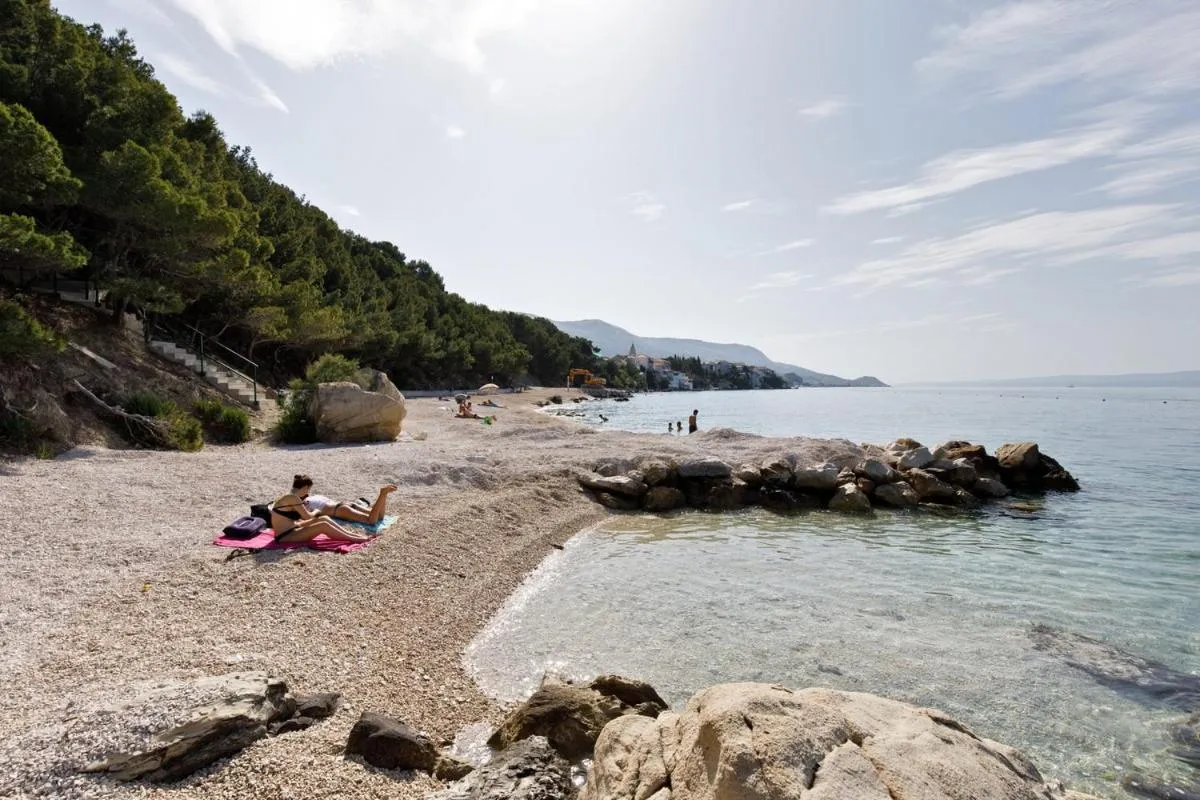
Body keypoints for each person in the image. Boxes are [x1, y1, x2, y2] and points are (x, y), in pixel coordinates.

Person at [270, 475, 372, 544]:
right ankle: (354, 539)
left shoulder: (288, 496)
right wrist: (317, 511)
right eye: (308, 490)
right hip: (285, 536)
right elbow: (307, 517)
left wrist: (318, 514)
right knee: (323, 526)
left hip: (293, 528)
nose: (306, 494)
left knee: (324, 518)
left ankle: (352, 535)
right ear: (305, 487)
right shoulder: (293, 498)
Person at [301, 479, 398, 526]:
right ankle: (384, 495)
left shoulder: (305, 503)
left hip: (339, 510)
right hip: (347, 504)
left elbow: (307, 517)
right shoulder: (316, 496)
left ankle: (382, 494)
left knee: (371, 521)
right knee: (379, 517)